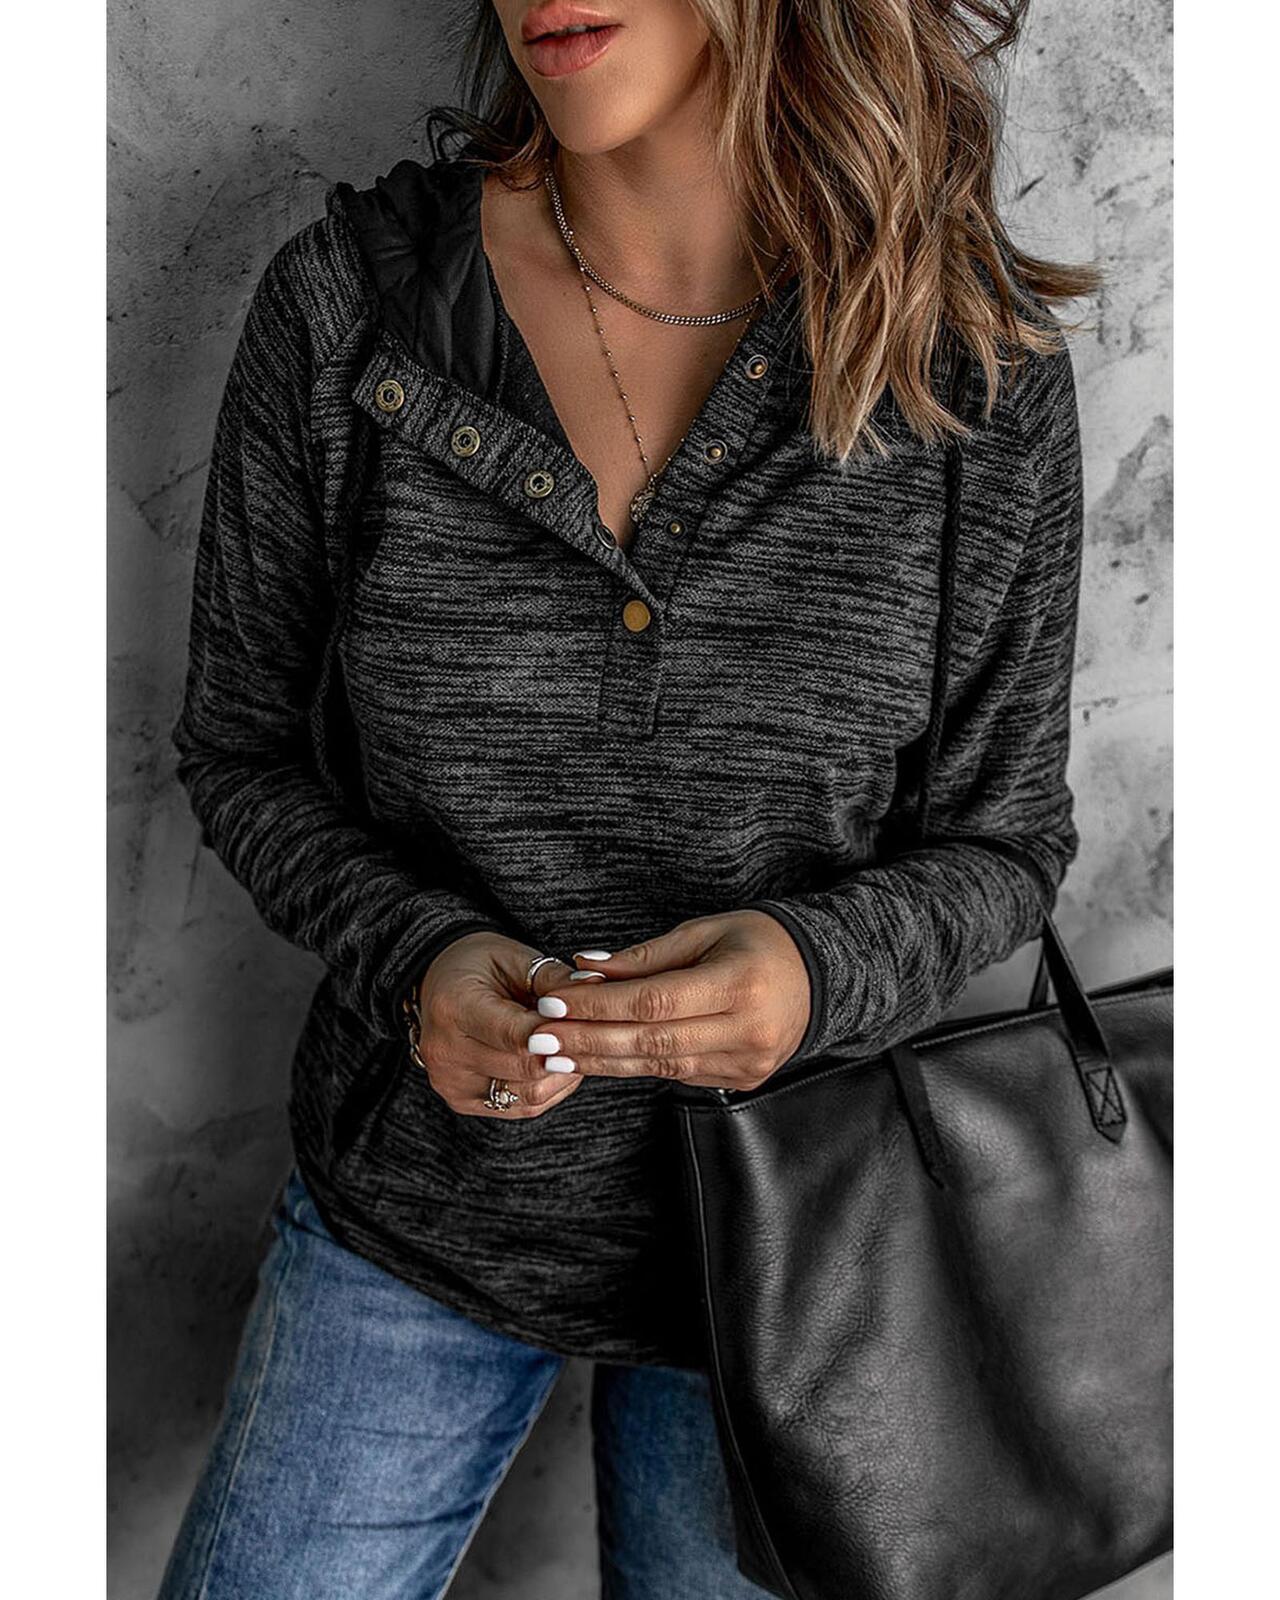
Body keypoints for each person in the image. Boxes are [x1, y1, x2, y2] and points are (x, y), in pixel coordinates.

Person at [156, 1, 1101, 1595]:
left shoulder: (968, 369)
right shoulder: (354, 308)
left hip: (797, 1251)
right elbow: (240, 746)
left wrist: (814, 973)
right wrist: (416, 956)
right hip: (416, 1211)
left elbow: (1007, 837)